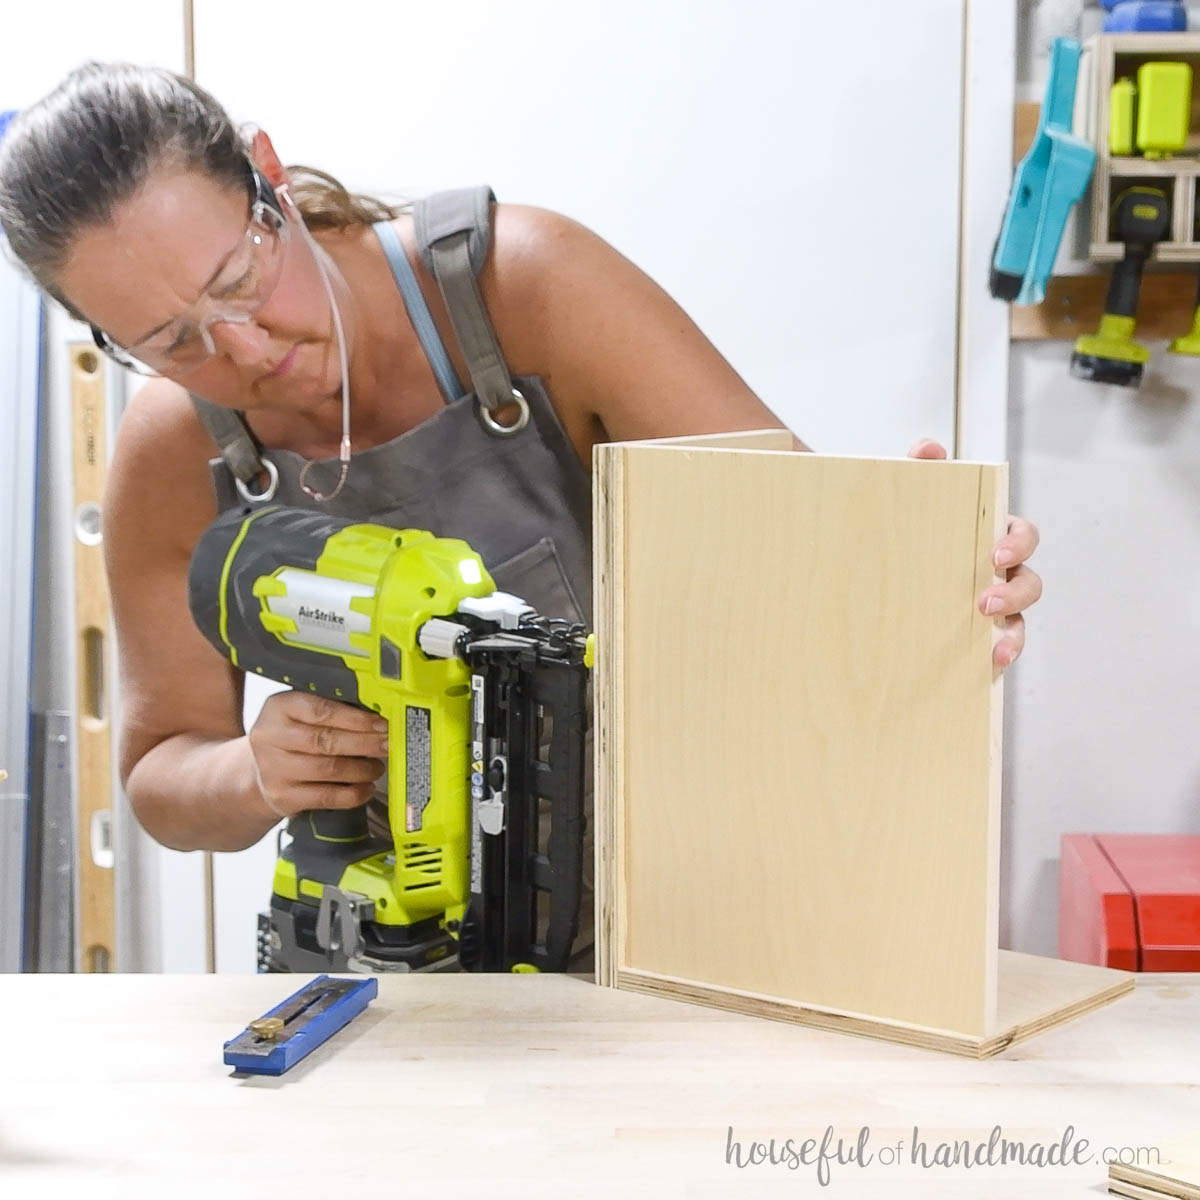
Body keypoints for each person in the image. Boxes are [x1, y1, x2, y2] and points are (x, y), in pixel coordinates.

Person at [0, 63, 1042, 954]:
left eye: (241, 275)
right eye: (173, 340)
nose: (245, 349)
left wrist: (930, 575)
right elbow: (160, 774)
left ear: (268, 175)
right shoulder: (173, 452)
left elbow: (799, 557)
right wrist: (254, 771)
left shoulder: (525, 292)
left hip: (691, 918)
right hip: (408, 961)